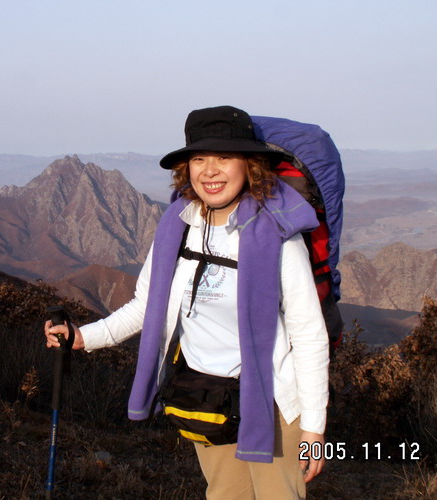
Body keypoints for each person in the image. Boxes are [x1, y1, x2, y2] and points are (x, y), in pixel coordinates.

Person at [44, 105, 329, 500]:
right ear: (186, 168)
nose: (210, 171)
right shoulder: (178, 227)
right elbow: (148, 305)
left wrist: (314, 427)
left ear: (250, 165)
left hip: (272, 402)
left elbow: (309, 334)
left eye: (224, 157)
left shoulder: (279, 236)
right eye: (199, 159)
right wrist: (84, 337)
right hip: (206, 395)